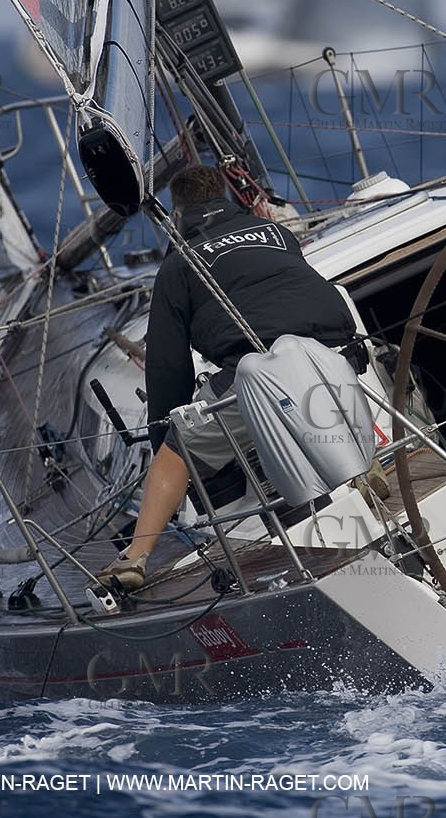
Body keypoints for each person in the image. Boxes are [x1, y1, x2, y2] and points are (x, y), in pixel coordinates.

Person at [95, 164, 358, 590]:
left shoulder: (180, 265)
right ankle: (362, 477)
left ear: (178, 212)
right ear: (224, 196)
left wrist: (166, 426)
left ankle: (135, 558)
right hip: (334, 355)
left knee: (176, 450)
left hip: (261, 373)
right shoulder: (277, 234)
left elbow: (167, 366)